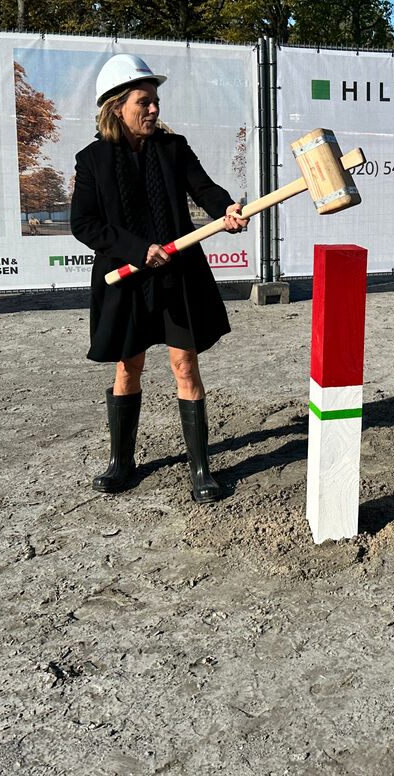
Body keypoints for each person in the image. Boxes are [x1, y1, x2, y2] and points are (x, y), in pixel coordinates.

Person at [70, 53, 247, 502]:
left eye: (155, 102)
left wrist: (225, 208)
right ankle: (121, 462)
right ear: (116, 107)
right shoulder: (92, 160)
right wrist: (136, 249)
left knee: (185, 365)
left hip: (176, 275)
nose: (153, 109)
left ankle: (201, 469)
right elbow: (84, 224)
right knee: (128, 366)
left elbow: (203, 188)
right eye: (143, 102)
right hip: (126, 277)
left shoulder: (173, 148)